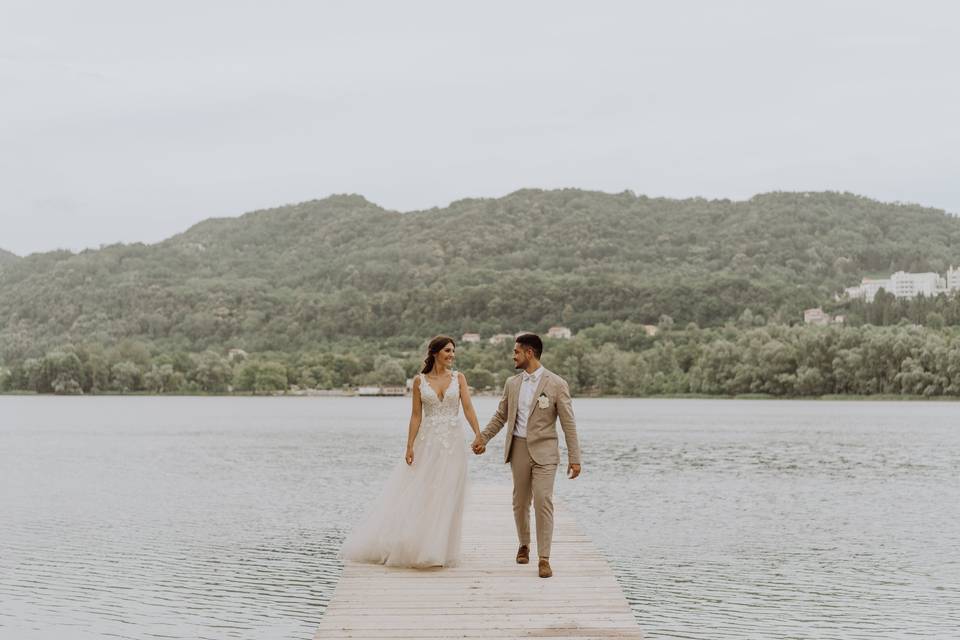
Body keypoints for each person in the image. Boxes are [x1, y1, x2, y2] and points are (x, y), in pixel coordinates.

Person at [341, 335, 483, 567]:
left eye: (453, 351)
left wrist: (478, 434)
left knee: (447, 493)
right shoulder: (420, 381)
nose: (452, 355)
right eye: (448, 351)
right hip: (427, 443)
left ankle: (439, 549)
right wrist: (409, 445)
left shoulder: (459, 378)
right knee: (425, 492)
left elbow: (467, 407)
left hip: (453, 443)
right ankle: (418, 543)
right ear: (435, 353)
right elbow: (416, 415)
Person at [471, 333, 581, 578]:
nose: (513, 356)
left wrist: (575, 457)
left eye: (517, 352)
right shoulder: (512, 383)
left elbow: (568, 423)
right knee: (520, 502)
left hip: (546, 452)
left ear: (529, 353)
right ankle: (524, 544)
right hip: (518, 449)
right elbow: (502, 416)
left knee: (543, 500)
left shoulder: (556, 384)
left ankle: (544, 558)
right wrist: (483, 438)